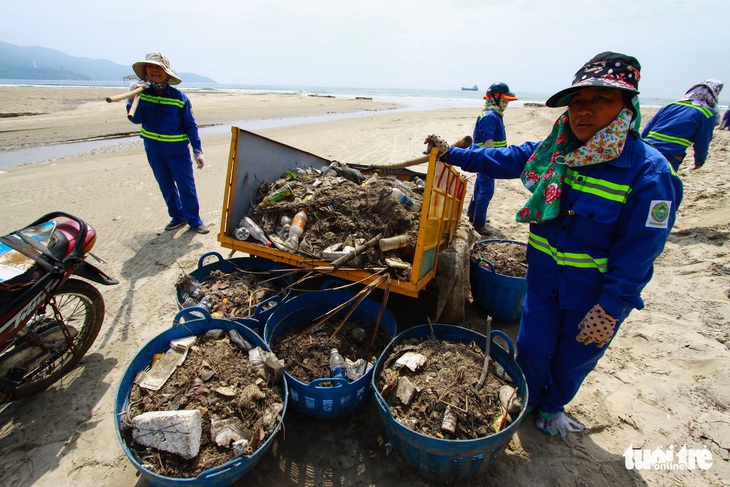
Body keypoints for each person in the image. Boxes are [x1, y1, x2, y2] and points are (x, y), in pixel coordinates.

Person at [425, 52, 683, 438]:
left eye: (601, 100)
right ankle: (526, 401)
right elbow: (503, 158)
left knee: (572, 360)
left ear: (627, 106)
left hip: (592, 297)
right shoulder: (553, 150)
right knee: (532, 348)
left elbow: (640, 252)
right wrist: (453, 154)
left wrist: (610, 308)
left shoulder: (649, 172)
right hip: (543, 283)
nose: (584, 111)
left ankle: (552, 409)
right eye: (578, 101)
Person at [127, 51, 210, 234]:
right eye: (151, 67)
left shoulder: (179, 98)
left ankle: (194, 221)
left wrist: (197, 150)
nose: (154, 70)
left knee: (186, 185)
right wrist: (131, 98)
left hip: (177, 151)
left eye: (159, 67)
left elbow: (190, 125)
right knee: (165, 184)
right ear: (146, 72)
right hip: (154, 149)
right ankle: (177, 216)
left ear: (166, 72)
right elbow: (135, 118)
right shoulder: (141, 94)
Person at [466, 82, 518, 234]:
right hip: (486, 159)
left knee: (479, 187)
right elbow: (488, 141)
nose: (506, 103)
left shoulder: (493, 114)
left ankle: (472, 214)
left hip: (484, 158)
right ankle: (478, 223)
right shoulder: (490, 116)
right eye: (505, 100)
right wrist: (494, 160)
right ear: (496, 99)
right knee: (486, 190)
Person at [641, 79, 724, 172]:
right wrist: (699, 162)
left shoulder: (670, 105)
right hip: (671, 153)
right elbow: (702, 140)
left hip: (647, 148)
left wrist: (639, 147)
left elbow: (648, 128)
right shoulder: (706, 114)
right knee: (664, 182)